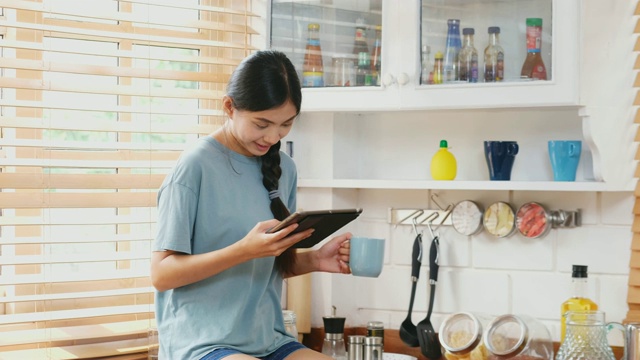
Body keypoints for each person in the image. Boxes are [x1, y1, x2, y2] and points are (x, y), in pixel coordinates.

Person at [151, 49, 352, 360]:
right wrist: (243, 249)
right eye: (262, 124)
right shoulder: (195, 167)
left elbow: (263, 265)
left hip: (267, 339)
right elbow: (162, 274)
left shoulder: (284, 169)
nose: (273, 136)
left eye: (286, 124)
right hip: (203, 343)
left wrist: (313, 259)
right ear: (230, 107)